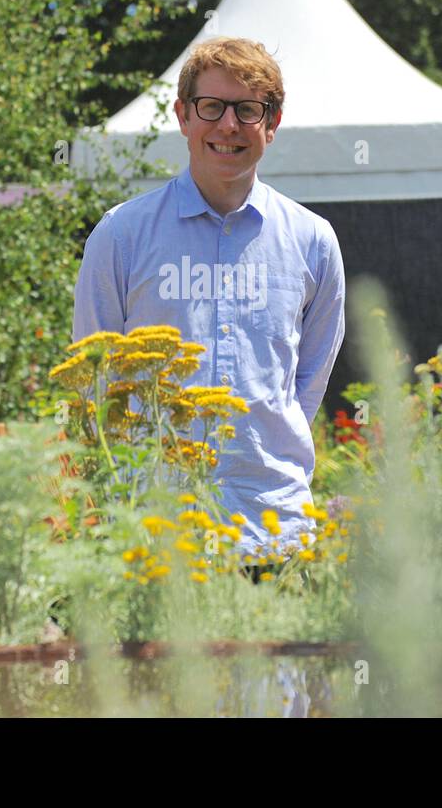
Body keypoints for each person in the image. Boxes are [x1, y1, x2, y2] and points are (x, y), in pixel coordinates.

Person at [72, 36, 346, 575]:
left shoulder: (313, 243)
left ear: (272, 123)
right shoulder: (121, 236)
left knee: (278, 664)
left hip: (273, 526)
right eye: (211, 107)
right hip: (154, 530)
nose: (228, 126)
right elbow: (93, 378)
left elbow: (304, 385)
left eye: (248, 110)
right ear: (182, 115)